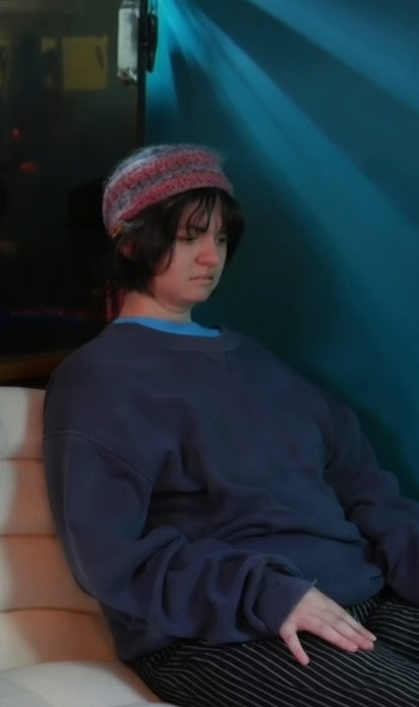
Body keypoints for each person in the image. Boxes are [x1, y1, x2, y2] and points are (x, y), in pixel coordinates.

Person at [42, 143, 419, 706]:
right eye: (190, 236)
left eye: (220, 238)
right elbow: (109, 556)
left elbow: (365, 486)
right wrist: (268, 594)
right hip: (224, 629)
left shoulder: (258, 362)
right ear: (131, 242)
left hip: (362, 591)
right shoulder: (97, 381)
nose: (210, 256)